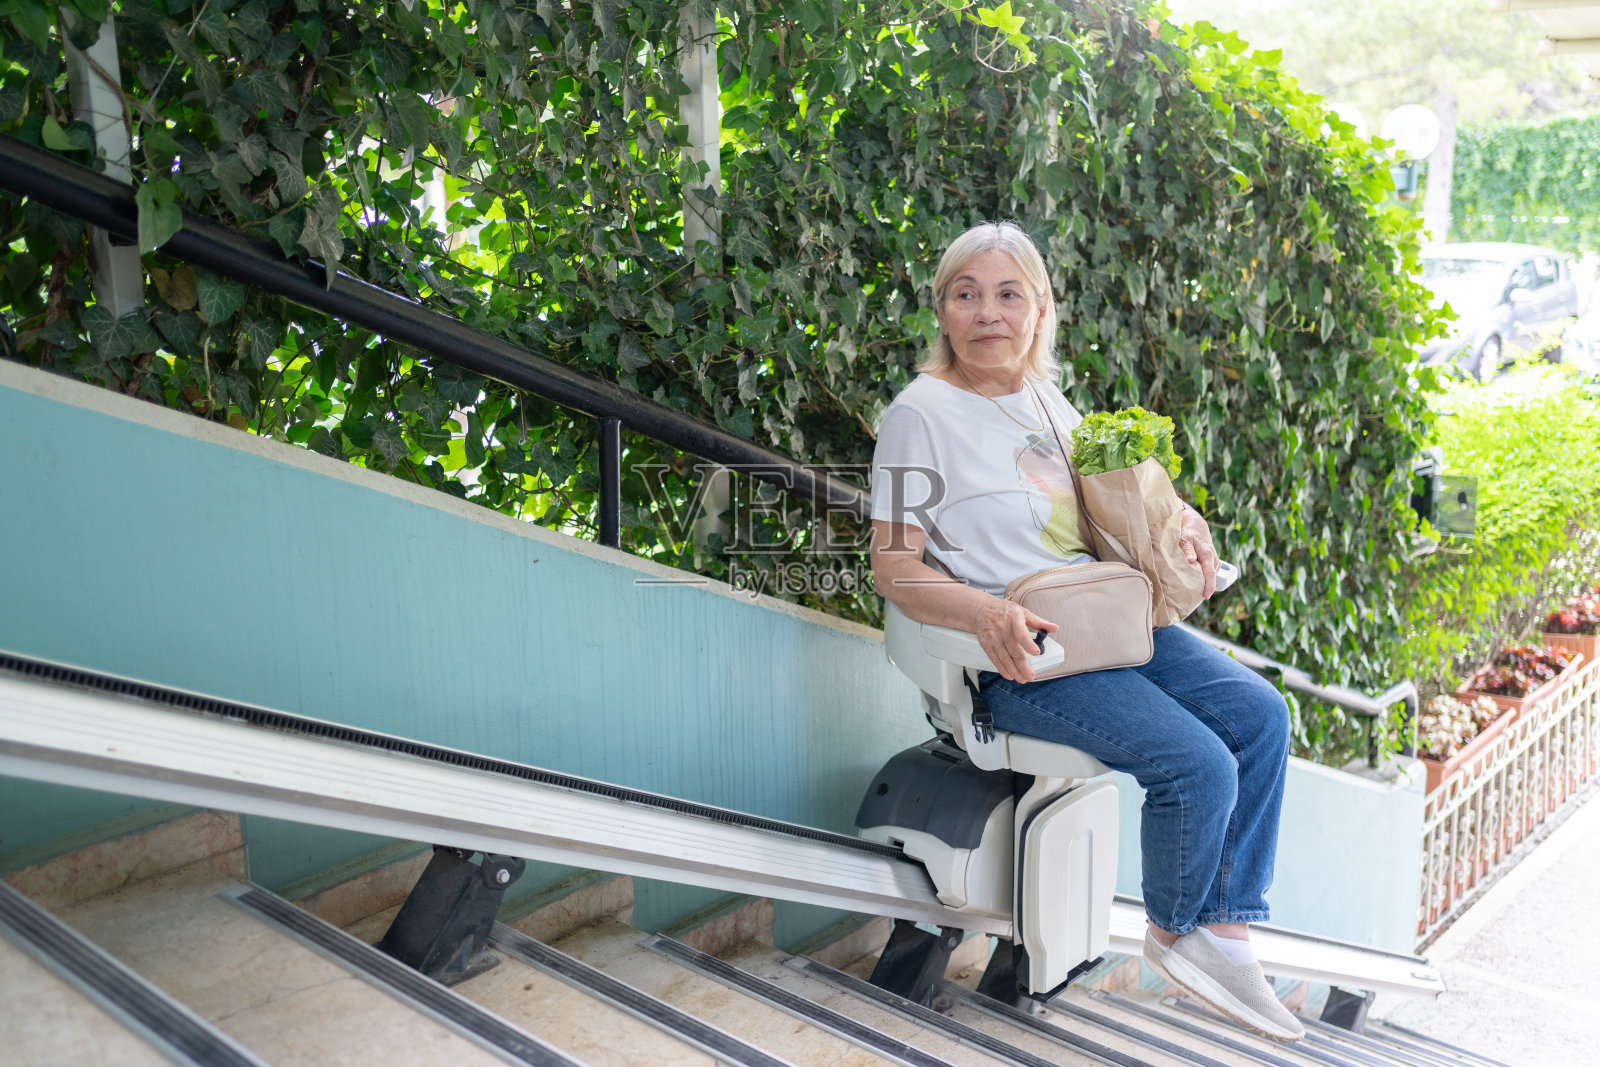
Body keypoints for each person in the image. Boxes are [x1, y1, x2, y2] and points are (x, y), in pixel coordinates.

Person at [868, 221, 1302, 1043]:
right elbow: (895, 567)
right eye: (967, 295)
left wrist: (1187, 527)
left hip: (1106, 621)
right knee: (1197, 763)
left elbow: (1102, 516)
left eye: (1008, 295)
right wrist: (986, 612)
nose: (987, 314)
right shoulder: (919, 413)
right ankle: (1178, 934)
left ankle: (1229, 931)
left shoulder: (1045, 399)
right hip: (1023, 653)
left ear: (1041, 310)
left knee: (1260, 718)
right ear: (943, 310)